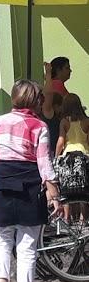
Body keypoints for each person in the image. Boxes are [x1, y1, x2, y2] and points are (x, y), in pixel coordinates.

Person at [0, 79, 60, 282]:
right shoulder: (39, 126)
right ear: (33, 100)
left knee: (1, 241)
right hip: (29, 187)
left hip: (3, 186)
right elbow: (44, 163)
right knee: (27, 247)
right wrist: (54, 194)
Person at [55, 93, 89, 221]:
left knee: (66, 187)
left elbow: (61, 141)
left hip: (68, 157)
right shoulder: (87, 121)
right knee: (84, 187)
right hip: (84, 156)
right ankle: (83, 217)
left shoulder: (64, 122)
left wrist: (56, 156)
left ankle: (67, 217)